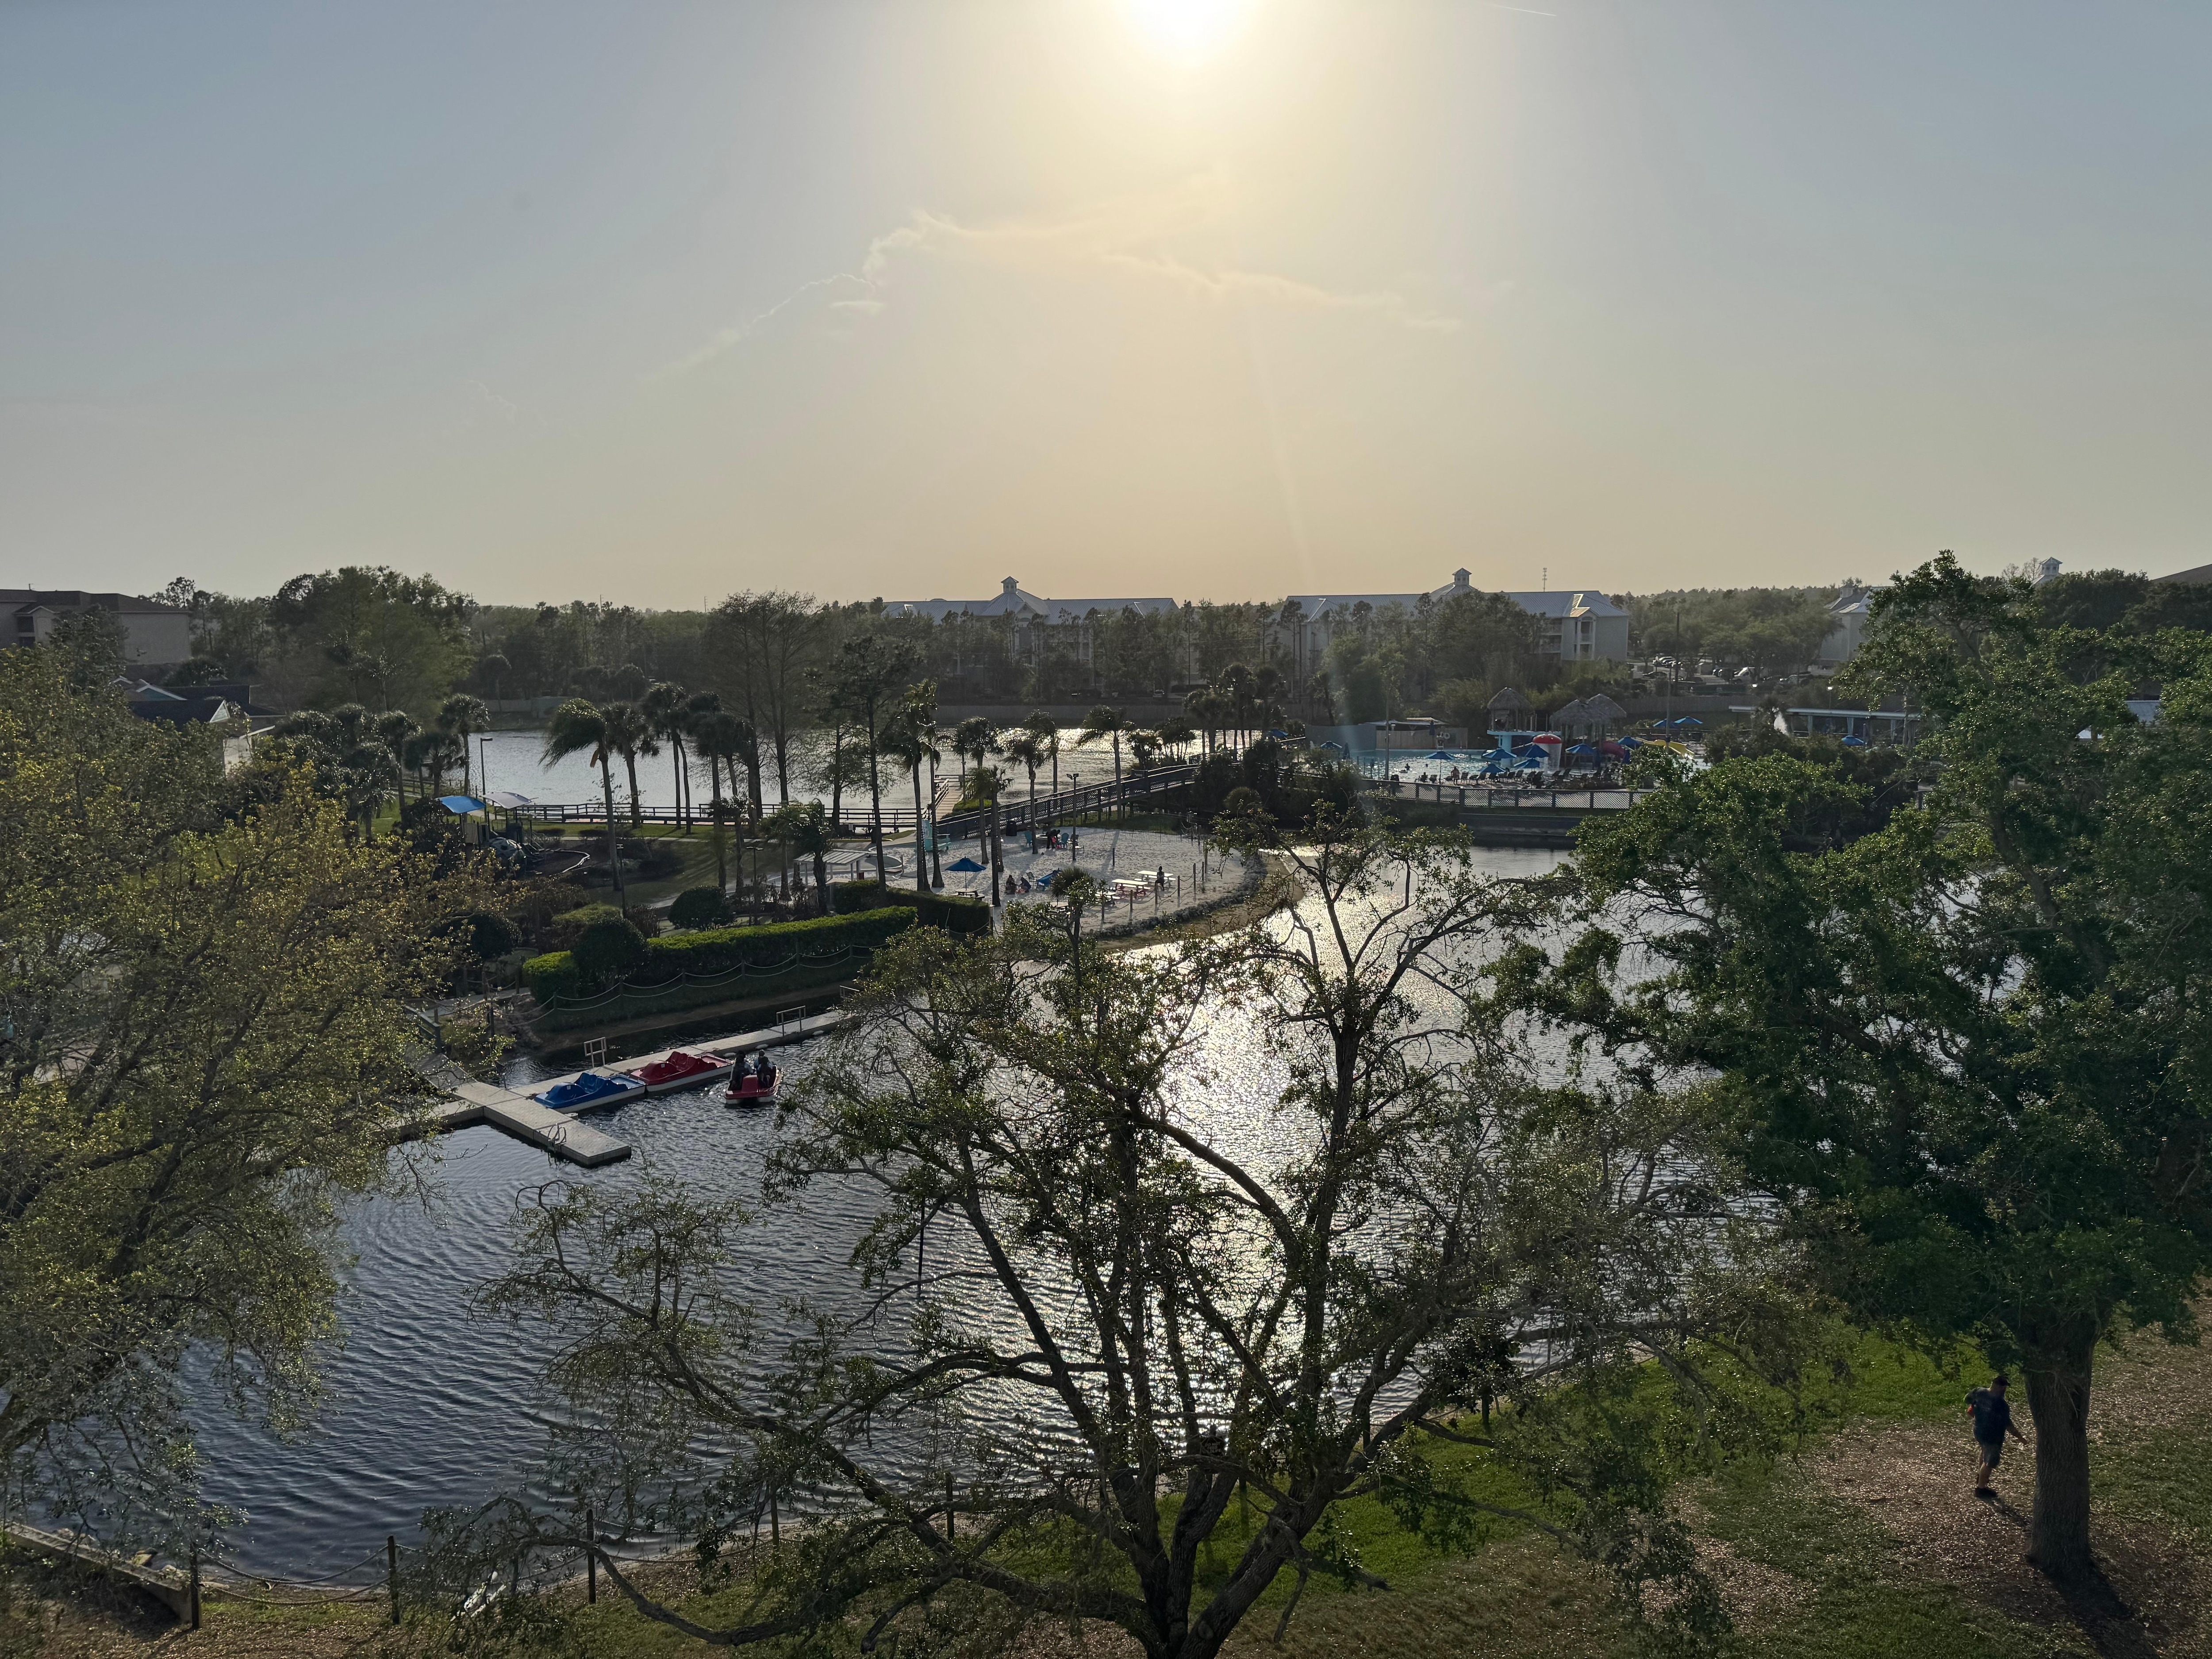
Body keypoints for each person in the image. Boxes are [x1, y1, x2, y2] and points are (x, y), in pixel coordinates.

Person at [1966, 1373, 2026, 1494]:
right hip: (1993, 1436)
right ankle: (1981, 1489)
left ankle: (1980, 1477)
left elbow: (1967, 1400)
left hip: (1979, 1431)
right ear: (1998, 1387)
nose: (2004, 1390)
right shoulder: (2001, 1405)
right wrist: (2021, 1438)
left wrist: (1975, 1410)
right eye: (2003, 1387)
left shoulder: (1979, 1392)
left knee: (1984, 1451)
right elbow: (2009, 1425)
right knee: (1990, 1462)